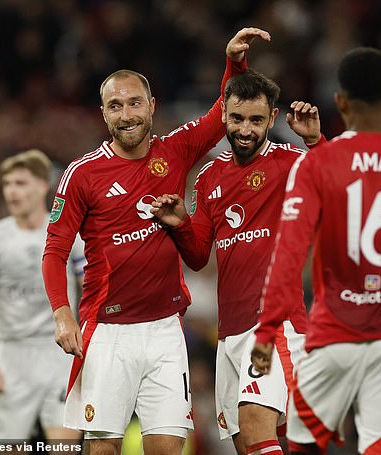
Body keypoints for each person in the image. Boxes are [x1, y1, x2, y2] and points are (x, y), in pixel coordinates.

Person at [42, 28, 269, 455]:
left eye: (133, 103)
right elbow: (54, 251)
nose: (126, 114)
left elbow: (221, 115)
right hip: (107, 331)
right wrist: (61, 315)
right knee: (103, 449)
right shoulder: (82, 174)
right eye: (115, 106)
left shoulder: (175, 151)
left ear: (151, 106)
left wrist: (234, 65)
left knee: (168, 448)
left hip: (166, 330)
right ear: (103, 114)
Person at [251, 47, 381, 455]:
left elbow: (289, 252)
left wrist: (268, 328)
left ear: (340, 101)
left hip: (330, 343)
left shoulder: (317, 164)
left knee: (304, 446)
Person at [150, 69, 325, 455]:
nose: (245, 129)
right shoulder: (209, 176)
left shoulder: (290, 162)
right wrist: (180, 224)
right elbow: (197, 256)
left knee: (256, 426)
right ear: (225, 116)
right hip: (228, 332)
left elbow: (336, 185)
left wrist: (315, 140)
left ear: (273, 119)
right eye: (237, 118)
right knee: (245, 443)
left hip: (273, 324)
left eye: (256, 120)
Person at [0, 149, 84, 441]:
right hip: (12, 355)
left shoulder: (70, 234)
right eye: (7, 184)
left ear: (44, 185)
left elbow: (92, 286)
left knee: (64, 447)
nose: (11, 192)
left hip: (60, 352)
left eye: (20, 183)